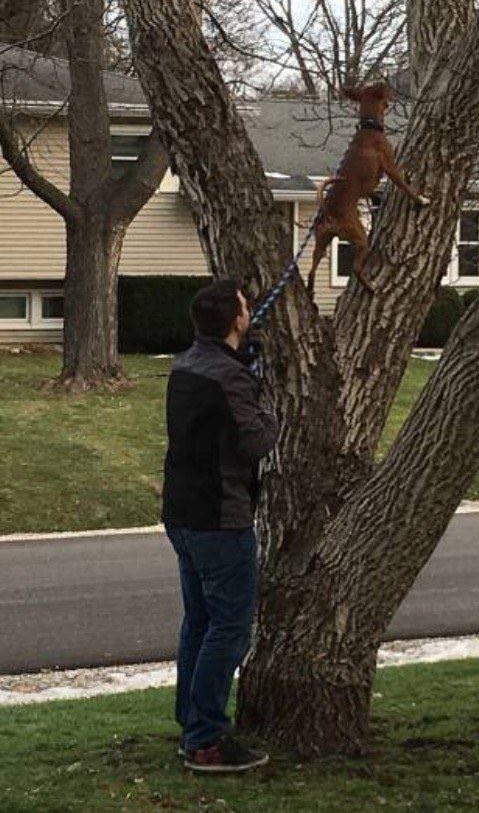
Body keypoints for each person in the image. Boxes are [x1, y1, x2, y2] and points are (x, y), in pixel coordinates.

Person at [162, 278, 278, 774]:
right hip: (219, 518)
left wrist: (244, 359)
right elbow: (254, 442)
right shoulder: (230, 378)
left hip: (182, 515)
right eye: (245, 308)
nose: (250, 312)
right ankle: (206, 740)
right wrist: (273, 412)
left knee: (200, 623)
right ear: (236, 319)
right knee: (228, 629)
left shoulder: (187, 363)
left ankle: (192, 724)